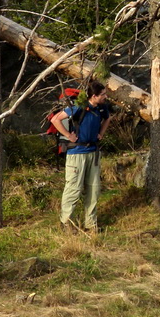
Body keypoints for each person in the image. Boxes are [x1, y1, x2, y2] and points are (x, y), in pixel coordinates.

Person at [51, 80, 111, 233]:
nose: (105, 96)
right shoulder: (78, 106)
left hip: (93, 152)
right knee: (74, 188)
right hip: (77, 153)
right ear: (94, 96)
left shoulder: (102, 108)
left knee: (94, 189)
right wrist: (68, 135)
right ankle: (66, 223)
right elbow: (55, 119)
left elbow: (108, 119)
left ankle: (91, 224)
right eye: (102, 94)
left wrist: (101, 134)